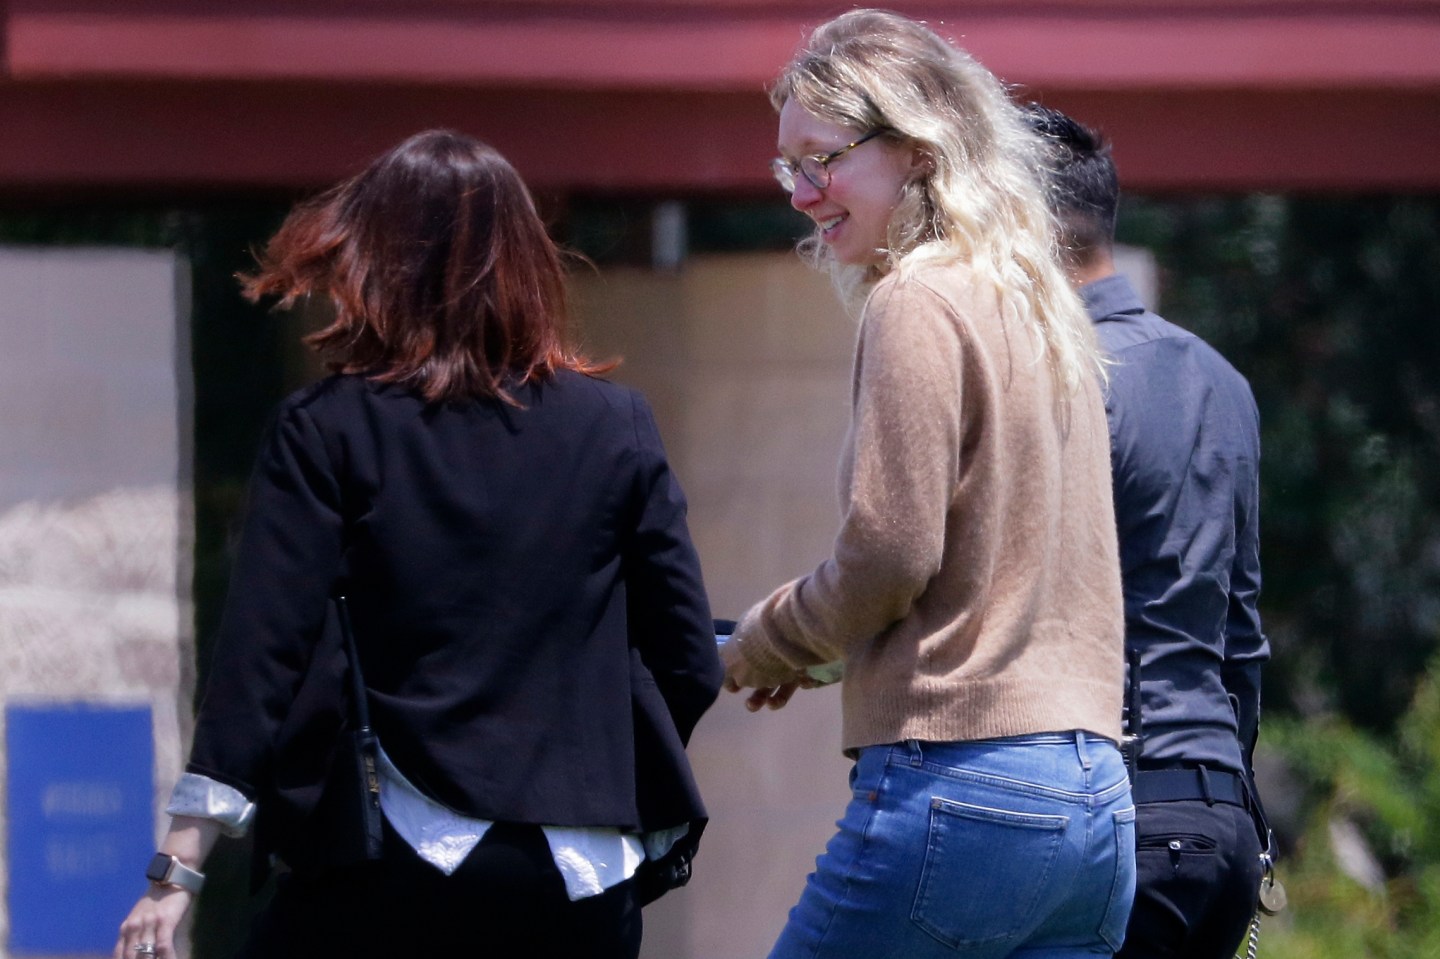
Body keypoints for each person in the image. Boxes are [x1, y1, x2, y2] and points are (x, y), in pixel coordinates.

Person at [114, 129, 722, 959]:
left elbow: (261, 657)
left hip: (391, 860)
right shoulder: (616, 426)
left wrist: (175, 869)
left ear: (376, 261)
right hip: (581, 875)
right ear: (530, 263)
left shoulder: (327, 428)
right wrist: (591, 768)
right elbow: (687, 654)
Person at [719, 11, 1136, 958]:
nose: (801, 194)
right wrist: (824, 649)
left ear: (915, 150)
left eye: (822, 159)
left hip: (963, 785)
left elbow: (891, 555)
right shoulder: (1036, 298)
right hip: (1095, 805)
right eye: (790, 168)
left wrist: (766, 641)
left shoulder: (918, 296)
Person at [1026, 104, 1271, 958]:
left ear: (1023, 227)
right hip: (1222, 825)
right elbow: (1243, 634)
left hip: (1118, 815)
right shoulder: (1224, 380)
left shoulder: (1060, 381)